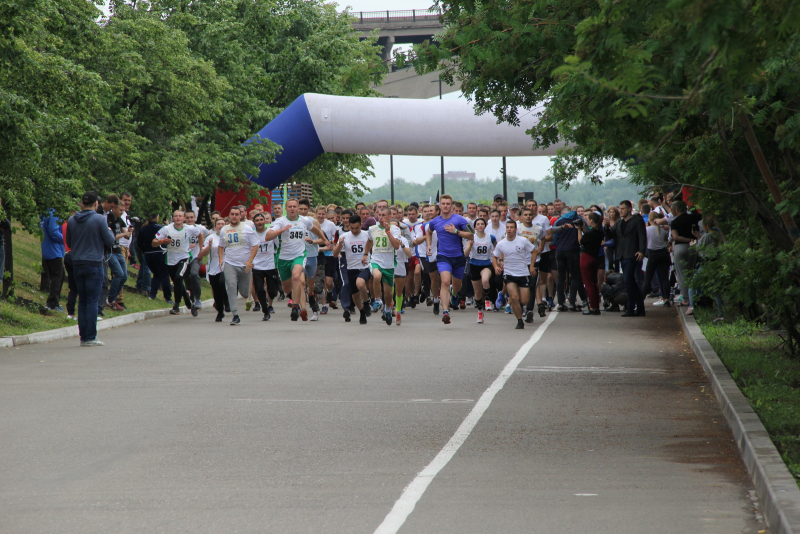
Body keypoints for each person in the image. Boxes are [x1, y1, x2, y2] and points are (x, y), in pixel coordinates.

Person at [264, 199, 329, 321]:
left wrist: (324, 239)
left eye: (294, 206)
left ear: (297, 208)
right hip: (283, 258)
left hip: (299, 255)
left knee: (296, 276)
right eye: (290, 206)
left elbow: (314, 229)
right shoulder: (281, 221)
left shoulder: (304, 220)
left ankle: (295, 307)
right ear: (286, 208)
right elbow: (268, 236)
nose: (292, 208)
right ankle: (296, 300)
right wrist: (280, 231)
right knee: (287, 289)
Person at [66, 191, 116, 346]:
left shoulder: (72, 220)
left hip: (77, 262)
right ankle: (91, 336)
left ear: (82, 203)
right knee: (92, 301)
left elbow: (69, 241)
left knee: (83, 300)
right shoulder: (100, 219)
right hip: (94, 262)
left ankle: (83, 336)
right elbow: (110, 240)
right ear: (96, 204)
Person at [425, 195, 473, 324]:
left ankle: (455, 293)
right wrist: (429, 245)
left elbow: (471, 234)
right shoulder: (435, 222)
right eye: (443, 203)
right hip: (443, 257)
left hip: (458, 257)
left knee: (457, 285)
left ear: (451, 206)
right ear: (439, 206)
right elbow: (428, 232)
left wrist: (456, 231)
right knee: (445, 282)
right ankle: (445, 311)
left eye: (448, 204)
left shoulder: (460, 219)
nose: (445, 206)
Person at [153, 210, 200, 317]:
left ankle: (176, 305)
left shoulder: (190, 229)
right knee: (177, 282)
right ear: (173, 218)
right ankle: (188, 300)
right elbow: (154, 242)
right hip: (170, 258)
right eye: (176, 216)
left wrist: (201, 249)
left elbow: (200, 235)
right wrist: (162, 241)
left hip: (184, 256)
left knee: (179, 278)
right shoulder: (167, 229)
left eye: (180, 216)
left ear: (184, 218)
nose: (178, 218)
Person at [218, 206, 260, 325]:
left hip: (245, 265)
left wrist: (250, 261)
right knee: (231, 286)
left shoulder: (247, 228)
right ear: (229, 215)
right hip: (230, 263)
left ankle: (246, 295)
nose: (234, 216)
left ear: (240, 216)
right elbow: (221, 246)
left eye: (237, 214)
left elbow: (255, 245)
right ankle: (235, 315)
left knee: (245, 292)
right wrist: (221, 259)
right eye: (232, 214)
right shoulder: (224, 230)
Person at [492, 220, 537, 329]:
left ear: (516, 229)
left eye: (511, 227)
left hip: (523, 273)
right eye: (507, 227)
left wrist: (531, 266)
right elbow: (494, 257)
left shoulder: (523, 241)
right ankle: (519, 320)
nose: (509, 229)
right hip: (509, 274)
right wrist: (496, 267)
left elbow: (534, 251)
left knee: (525, 300)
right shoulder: (501, 243)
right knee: (514, 297)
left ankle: (523, 309)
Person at [364, 207, 402, 325]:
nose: (381, 218)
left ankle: (387, 309)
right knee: (376, 276)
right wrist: (365, 254)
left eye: (384, 215)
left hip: (389, 263)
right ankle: (377, 300)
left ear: (390, 217)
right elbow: (370, 241)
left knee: (389, 292)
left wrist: (388, 231)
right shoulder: (372, 229)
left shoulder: (395, 229)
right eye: (379, 215)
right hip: (376, 259)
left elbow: (396, 246)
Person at [332, 215, 371, 324]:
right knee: (354, 294)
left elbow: (372, 246)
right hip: (351, 268)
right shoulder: (345, 236)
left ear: (361, 225)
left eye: (357, 228)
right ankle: (362, 312)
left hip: (364, 266)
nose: (354, 230)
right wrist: (340, 244)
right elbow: (335, 254)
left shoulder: (367, 235)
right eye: (352, 228)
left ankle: (367, 302)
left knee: (360, 284)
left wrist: (366, 255)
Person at [615, 200, 647, 316]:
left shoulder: (637, 220)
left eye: (623, 208)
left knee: (629, 281)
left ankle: (630, 308)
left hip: (633, 254)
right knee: (630, 281)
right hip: (622, 254)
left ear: (629, 209)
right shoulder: (619, 223)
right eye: (620, 208)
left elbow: (642, 236)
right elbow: (612, 234)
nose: (621, 211)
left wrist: (642, 250)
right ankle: (639, 307)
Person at [670, 200, 702, 306]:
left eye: (672, 209)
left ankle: (686, 298)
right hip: (693, 246)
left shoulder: (674, 222)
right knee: (692, 271)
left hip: (680, 247)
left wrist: (686, 239)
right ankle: (695, 295)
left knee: (682, 274)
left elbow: (675, 237)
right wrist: (692, 239)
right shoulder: (695, 218)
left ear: (677, 210)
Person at [464, 217, 496, 324]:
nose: (480, 225)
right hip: (474, 265)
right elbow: (466, 254)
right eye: (478, 224)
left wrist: (497, 257)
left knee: (485, 280)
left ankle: (487, 300)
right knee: (477, 293)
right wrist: (470, 245)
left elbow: (498, 248)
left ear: (485, 225)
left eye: (482, 224)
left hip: (486, 264)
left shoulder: (490, 237)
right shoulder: (472, 238)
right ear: (475, 227)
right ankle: (480, 311)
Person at [137, 214, 173, 305]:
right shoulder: (162, 228)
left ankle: (153, 294)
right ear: (157, 218)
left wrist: (145, 251)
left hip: (149, 254)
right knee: (164, 275)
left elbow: (139, 243)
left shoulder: (143, 229)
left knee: (156, 274)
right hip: (160, 252)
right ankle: (168, 297)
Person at [198, 217, 228, 322]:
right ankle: (220, 311)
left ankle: (227, 302)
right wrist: (209, 246)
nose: (220, 226)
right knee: (216, 290)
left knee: (222, 282)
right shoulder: (210, 238)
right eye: (218, 224)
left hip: (226, 264)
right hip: (214, 266)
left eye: (222, 224)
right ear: (215, 227)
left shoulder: (229, 236)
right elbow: (203, 253)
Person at [251, 213, 279, 322]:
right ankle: (265, 311)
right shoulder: (252, 234)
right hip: (257, 266)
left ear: (265, 221)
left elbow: (278, 246)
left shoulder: (270, 233)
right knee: (259, 289)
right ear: (254, 222)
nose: (259, 222)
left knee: (273, 291)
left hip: (270, 265)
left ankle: (270, 299)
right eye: (257, 220)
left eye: (261, 220)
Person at [576, 212, 604, 315]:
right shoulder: (599, 231)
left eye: (588, 219)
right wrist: (584, 229)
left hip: (586, 257)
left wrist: (579, 229)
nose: (587, 220)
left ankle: (592, 307)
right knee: (594, 283)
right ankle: (595, 305)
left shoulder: (590, 234)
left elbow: (581, 241)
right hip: (595, 257)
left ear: (591, 220)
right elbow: (589, 236)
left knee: (588, 284)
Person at [105, 199, 131, 311]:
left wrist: (129, 232)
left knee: (124, 275)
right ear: (114, 208)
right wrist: (124, 234)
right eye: (120, 210)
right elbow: (111, 237)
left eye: (123, 210)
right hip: (110, 251)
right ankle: (111, 299)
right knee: (119, 274)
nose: (122, 212)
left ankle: (113, 297)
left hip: (118, 250)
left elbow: (126, 235)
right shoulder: (108, 218)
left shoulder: (119, 220)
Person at [642, 213, 672, 307]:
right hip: (663, 253)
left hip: (652, 253)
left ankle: (641, 299)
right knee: (664, 278)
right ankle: (666, 298)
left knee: (648, 278)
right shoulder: (664, 229)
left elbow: (645, 242)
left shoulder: (647, 230)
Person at [40, 208, 65, 311]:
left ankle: (54, 301)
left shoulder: (45, 213)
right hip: (54, 250)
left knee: (60, 275)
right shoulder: (54, 214)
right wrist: (65, 238)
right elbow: (53, 232)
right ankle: (52, 302)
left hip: (47, 249)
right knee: (57, 276)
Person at [184, 210, 207, 309]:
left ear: (195, 218)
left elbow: (207, 235)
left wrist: (202, 248)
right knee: (187, 280)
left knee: (194, 273)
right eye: (187, 217)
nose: (189, 219)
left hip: (196, 257)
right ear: (184, 219)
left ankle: (198, 299)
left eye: (191, 217)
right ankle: (192, 301)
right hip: (184, 257)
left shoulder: (200, 228)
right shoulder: (182, 228)